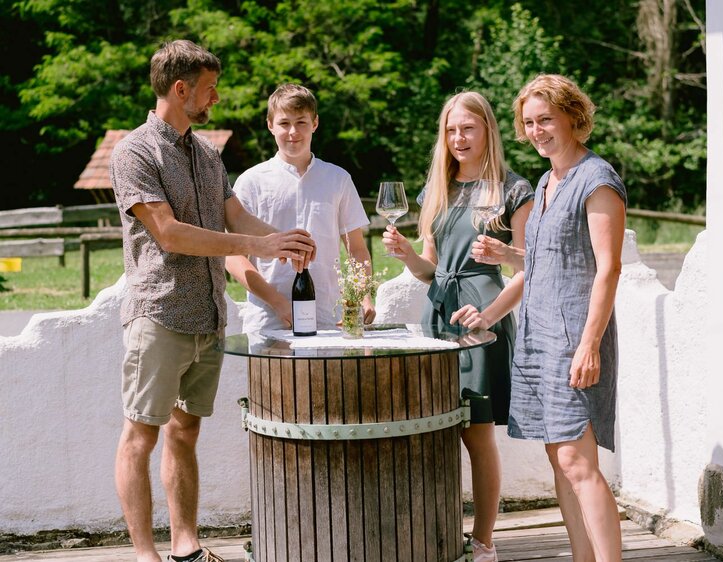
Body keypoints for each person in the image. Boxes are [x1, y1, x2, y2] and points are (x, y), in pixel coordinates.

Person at [110, 40, 316, 562]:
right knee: (141, 436)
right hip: (159, 315)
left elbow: (235, 217)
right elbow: (170, 234)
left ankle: (185, 547)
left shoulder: (205, 153)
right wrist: (256, 246)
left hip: (208, 317)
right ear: (181, 90)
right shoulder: (134, 152)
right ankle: (144, 555)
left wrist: (283, 237)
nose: (216, 98)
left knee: (186, 433)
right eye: (209, 89)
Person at [451, 74, 627, 562]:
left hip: (575, 339)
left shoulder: (597, 179)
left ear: (573, 116)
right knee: (560, 460)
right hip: (538, 339)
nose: (536, 130)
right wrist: (489, 314)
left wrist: (590, 345)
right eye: (528, 122)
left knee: (576, 460)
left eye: (546, 119)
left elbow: (608, 268)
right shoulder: (549, 181)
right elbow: (540, 265)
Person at [382, 91, 533, 562]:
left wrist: (491, 312)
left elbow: (531, 267)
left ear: (487, 129)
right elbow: (431, 269)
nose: (458, 138)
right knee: (436, 428)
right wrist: (409, 257)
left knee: (476, 431)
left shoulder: (513, 190)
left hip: (482, 316)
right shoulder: (436, 191)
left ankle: (484, 541)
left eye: (468, 128)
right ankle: (441, 533)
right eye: (450, 130)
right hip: (438, 315)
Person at [226, 83, 374, 331]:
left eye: (301, 122)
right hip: (268, 319)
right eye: (284, 123)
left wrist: (363, 296)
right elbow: (233, 256)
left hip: (329, 317)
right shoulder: (251, 181)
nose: (293, 131)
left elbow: (357, 249)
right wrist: (277, 303)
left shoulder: (338, 179)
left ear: (314, 124)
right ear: (270, 125)